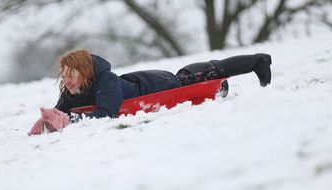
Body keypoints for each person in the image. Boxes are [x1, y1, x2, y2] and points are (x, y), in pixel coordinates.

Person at [28, 49, 272, 136]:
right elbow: (60, 111)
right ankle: (224, 85)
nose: (67, 80)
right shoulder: (72, 88)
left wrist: (72, 120)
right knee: (203, 76)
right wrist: (48, 120)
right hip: (144, 82)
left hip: (159, 84)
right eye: (64, 75)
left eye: (71, 74)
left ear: (85, 72)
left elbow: (106, 114)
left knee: (207, 72)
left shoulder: (106, 81)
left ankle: (256, 61)